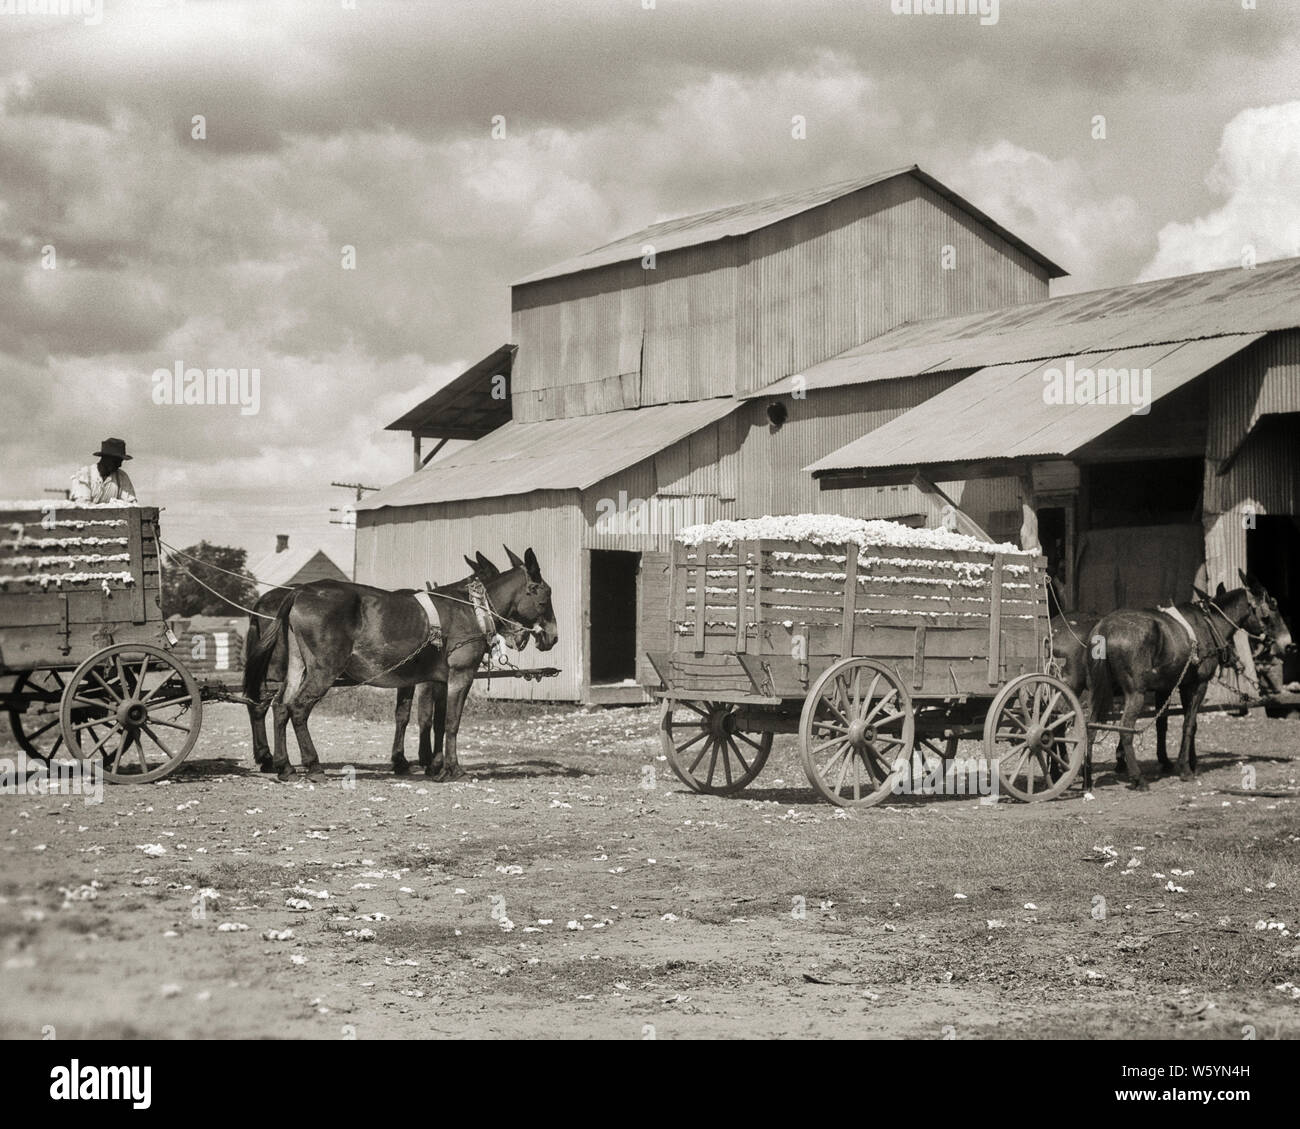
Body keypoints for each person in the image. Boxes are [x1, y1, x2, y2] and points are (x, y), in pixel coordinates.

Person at [70, 437, 138, 504]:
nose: (120, 465)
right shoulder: (84, 474)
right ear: (105, 458)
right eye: (116, 461)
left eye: (121, 461)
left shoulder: (122, 477)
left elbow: (131, 505)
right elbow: (83, 506)